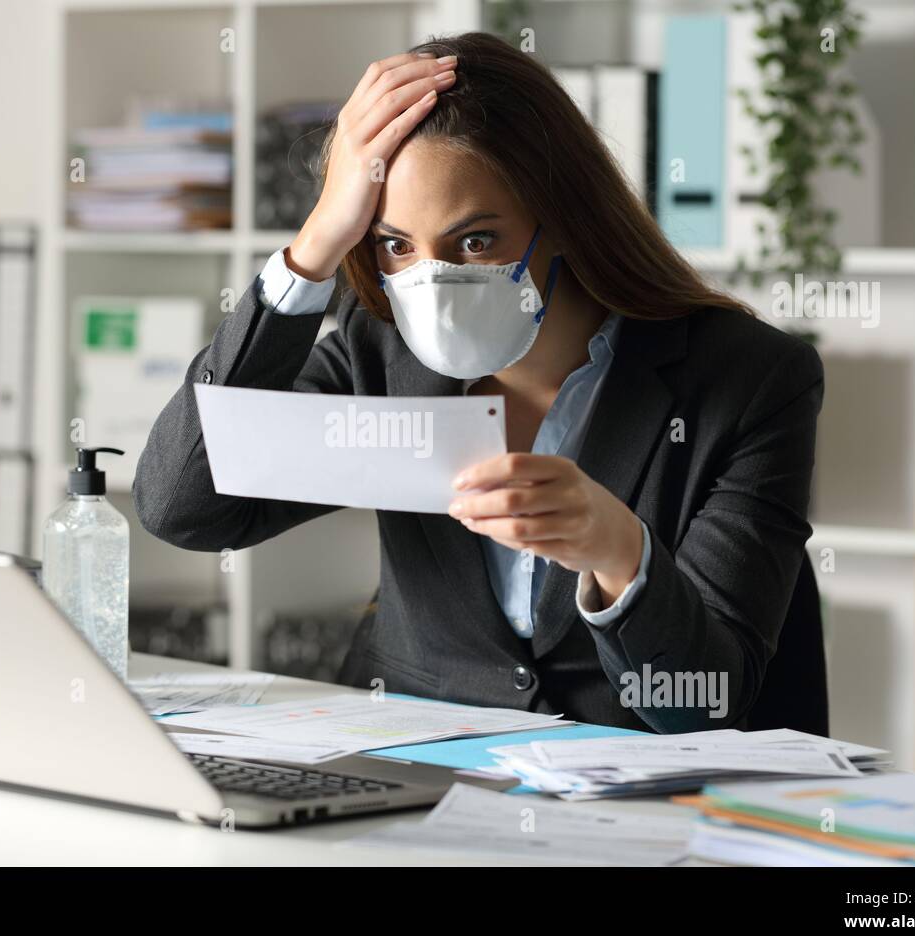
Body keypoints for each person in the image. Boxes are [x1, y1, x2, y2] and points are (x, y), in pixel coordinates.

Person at [134, 32, 824, 732]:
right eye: (396, 245)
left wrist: (621, 552)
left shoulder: (750, 381)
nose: (433, 282)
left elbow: (705, 703)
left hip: (633, 814)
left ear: (561, 218)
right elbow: (182, 506)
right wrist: (313, 247)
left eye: (475, 240)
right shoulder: (380, 357)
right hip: (411, 785)